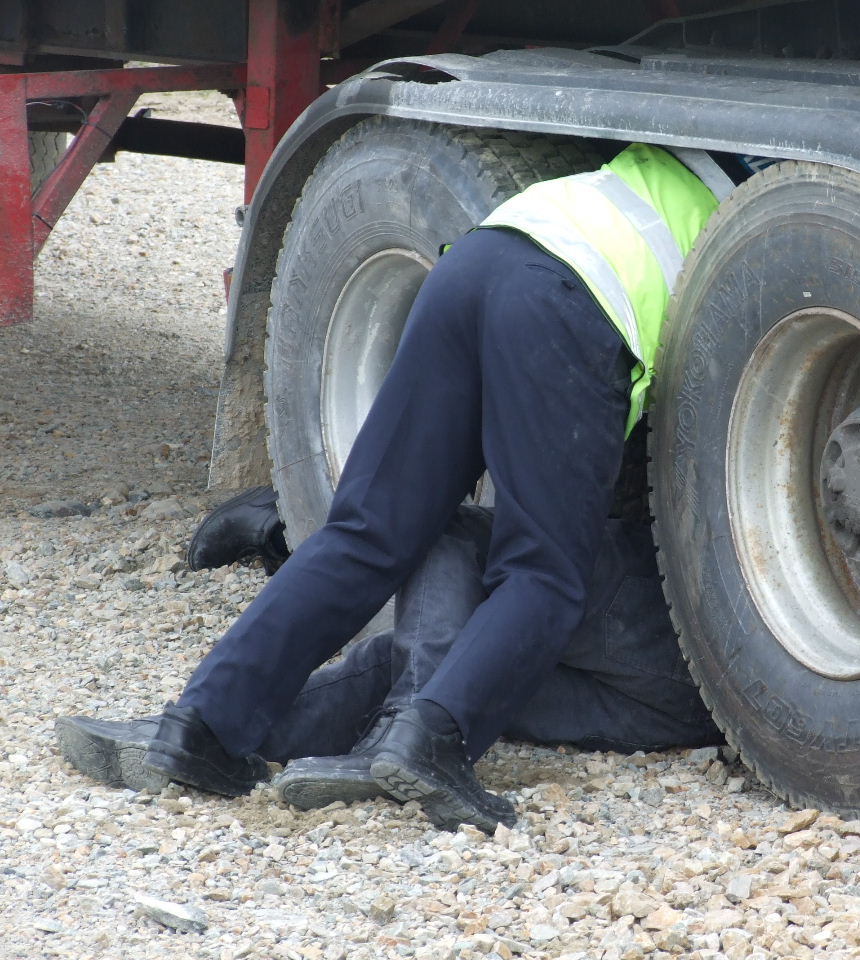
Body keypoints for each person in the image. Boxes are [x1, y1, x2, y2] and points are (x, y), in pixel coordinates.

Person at [54, 142, 737, 834]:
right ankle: (431, 742)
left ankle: (200, 728)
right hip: (566, 302)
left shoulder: (656, 171)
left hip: (476, 262)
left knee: (366, 531)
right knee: (542, 571)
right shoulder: (748, 215)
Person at [58, 503, 722, 811]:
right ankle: (225, 745)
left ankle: (399, 735)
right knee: (436, 665)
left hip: (658, 614)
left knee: (442, 525)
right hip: (703, 706)